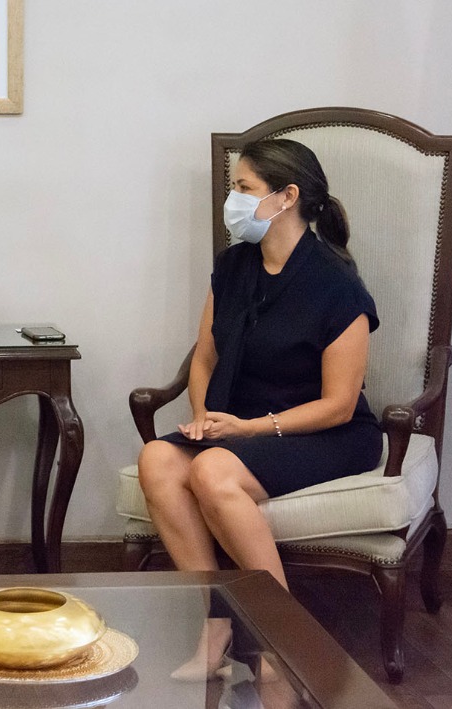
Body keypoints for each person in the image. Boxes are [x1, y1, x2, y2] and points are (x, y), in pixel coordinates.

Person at [135, 137, 382, 681]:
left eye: (244, 189)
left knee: (213, 470)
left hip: (324, 431)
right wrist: (202, 415)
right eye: (234, 189)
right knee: (157, 458)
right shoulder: (233, 266)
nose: (234, 200)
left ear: (286, 196)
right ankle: (218, 624)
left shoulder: (335, 284)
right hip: (238, 426)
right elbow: (204, 357)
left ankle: (284, 646)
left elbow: (340, 406)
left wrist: (246, 429)